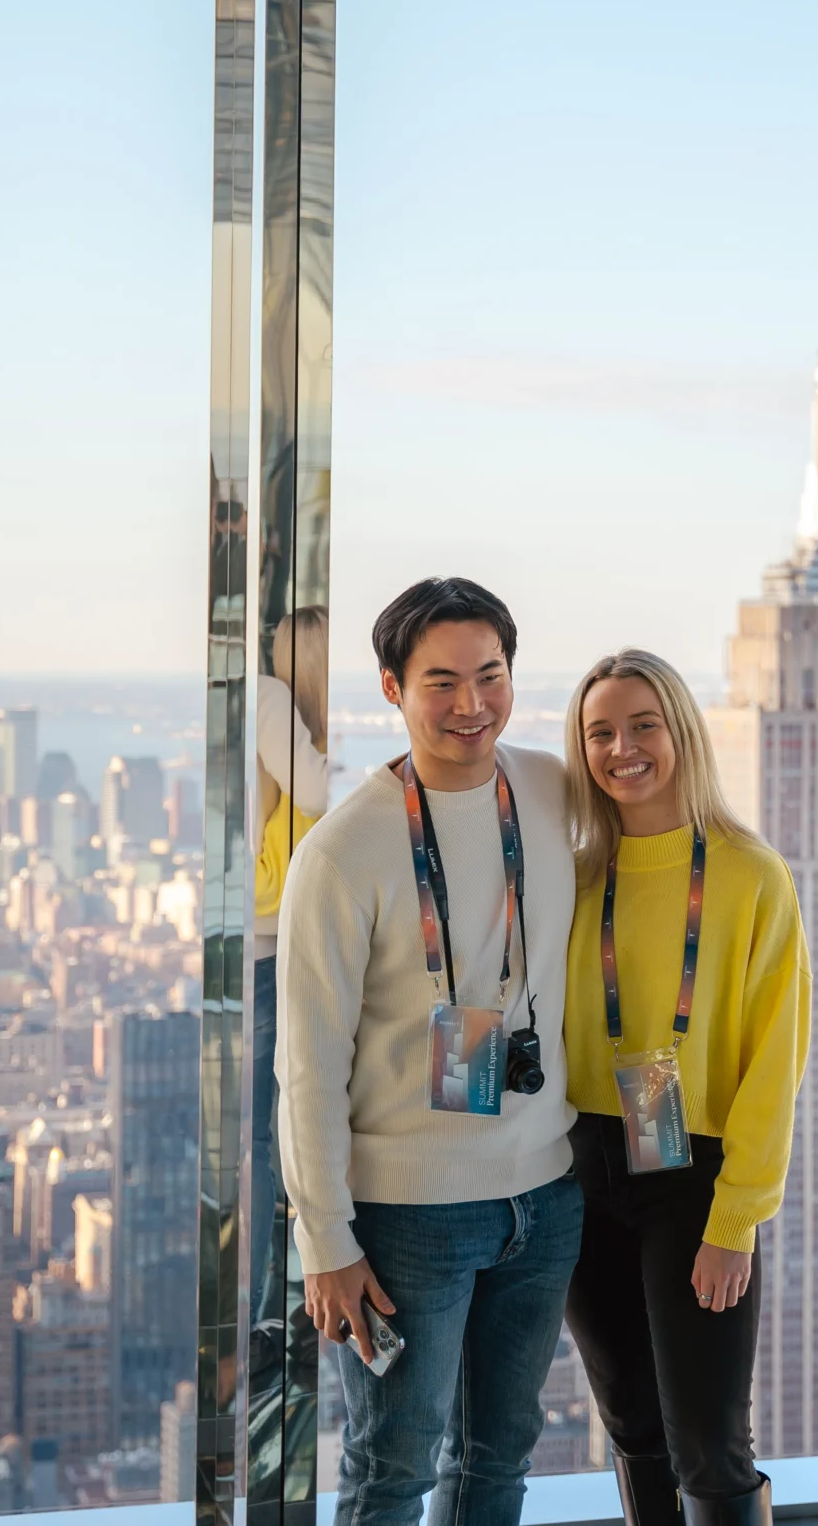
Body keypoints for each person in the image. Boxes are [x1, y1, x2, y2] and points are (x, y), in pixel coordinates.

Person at [276, 577, 581, 1526]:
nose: (471, 703)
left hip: (545, 1193)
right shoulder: (344, 850)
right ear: (390, 687)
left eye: (490, 675)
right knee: (392, 1466)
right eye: (440, 680)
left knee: (501, 1460)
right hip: (410, 1219)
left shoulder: (549, 786)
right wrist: (325, 1240)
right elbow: (308, 1066)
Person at [557, 650, 807, 1526]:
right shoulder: (577, 874)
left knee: (708, 1436)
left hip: (693, 1177)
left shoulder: (749, 874)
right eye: (600, 732)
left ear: (682, 732)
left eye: (642, 724)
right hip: (584, 1170)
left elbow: (775, 1063)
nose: (622, 747)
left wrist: (735, 1220)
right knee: (629, 1422)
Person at [252, 605, 331, 1336]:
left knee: (276, 1125)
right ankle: (284, 1297)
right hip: (274, 936)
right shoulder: (269, 698)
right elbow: (313, 793)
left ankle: (279, 1297)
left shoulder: (260, 705)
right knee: (288, 1121)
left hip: (268, 935)